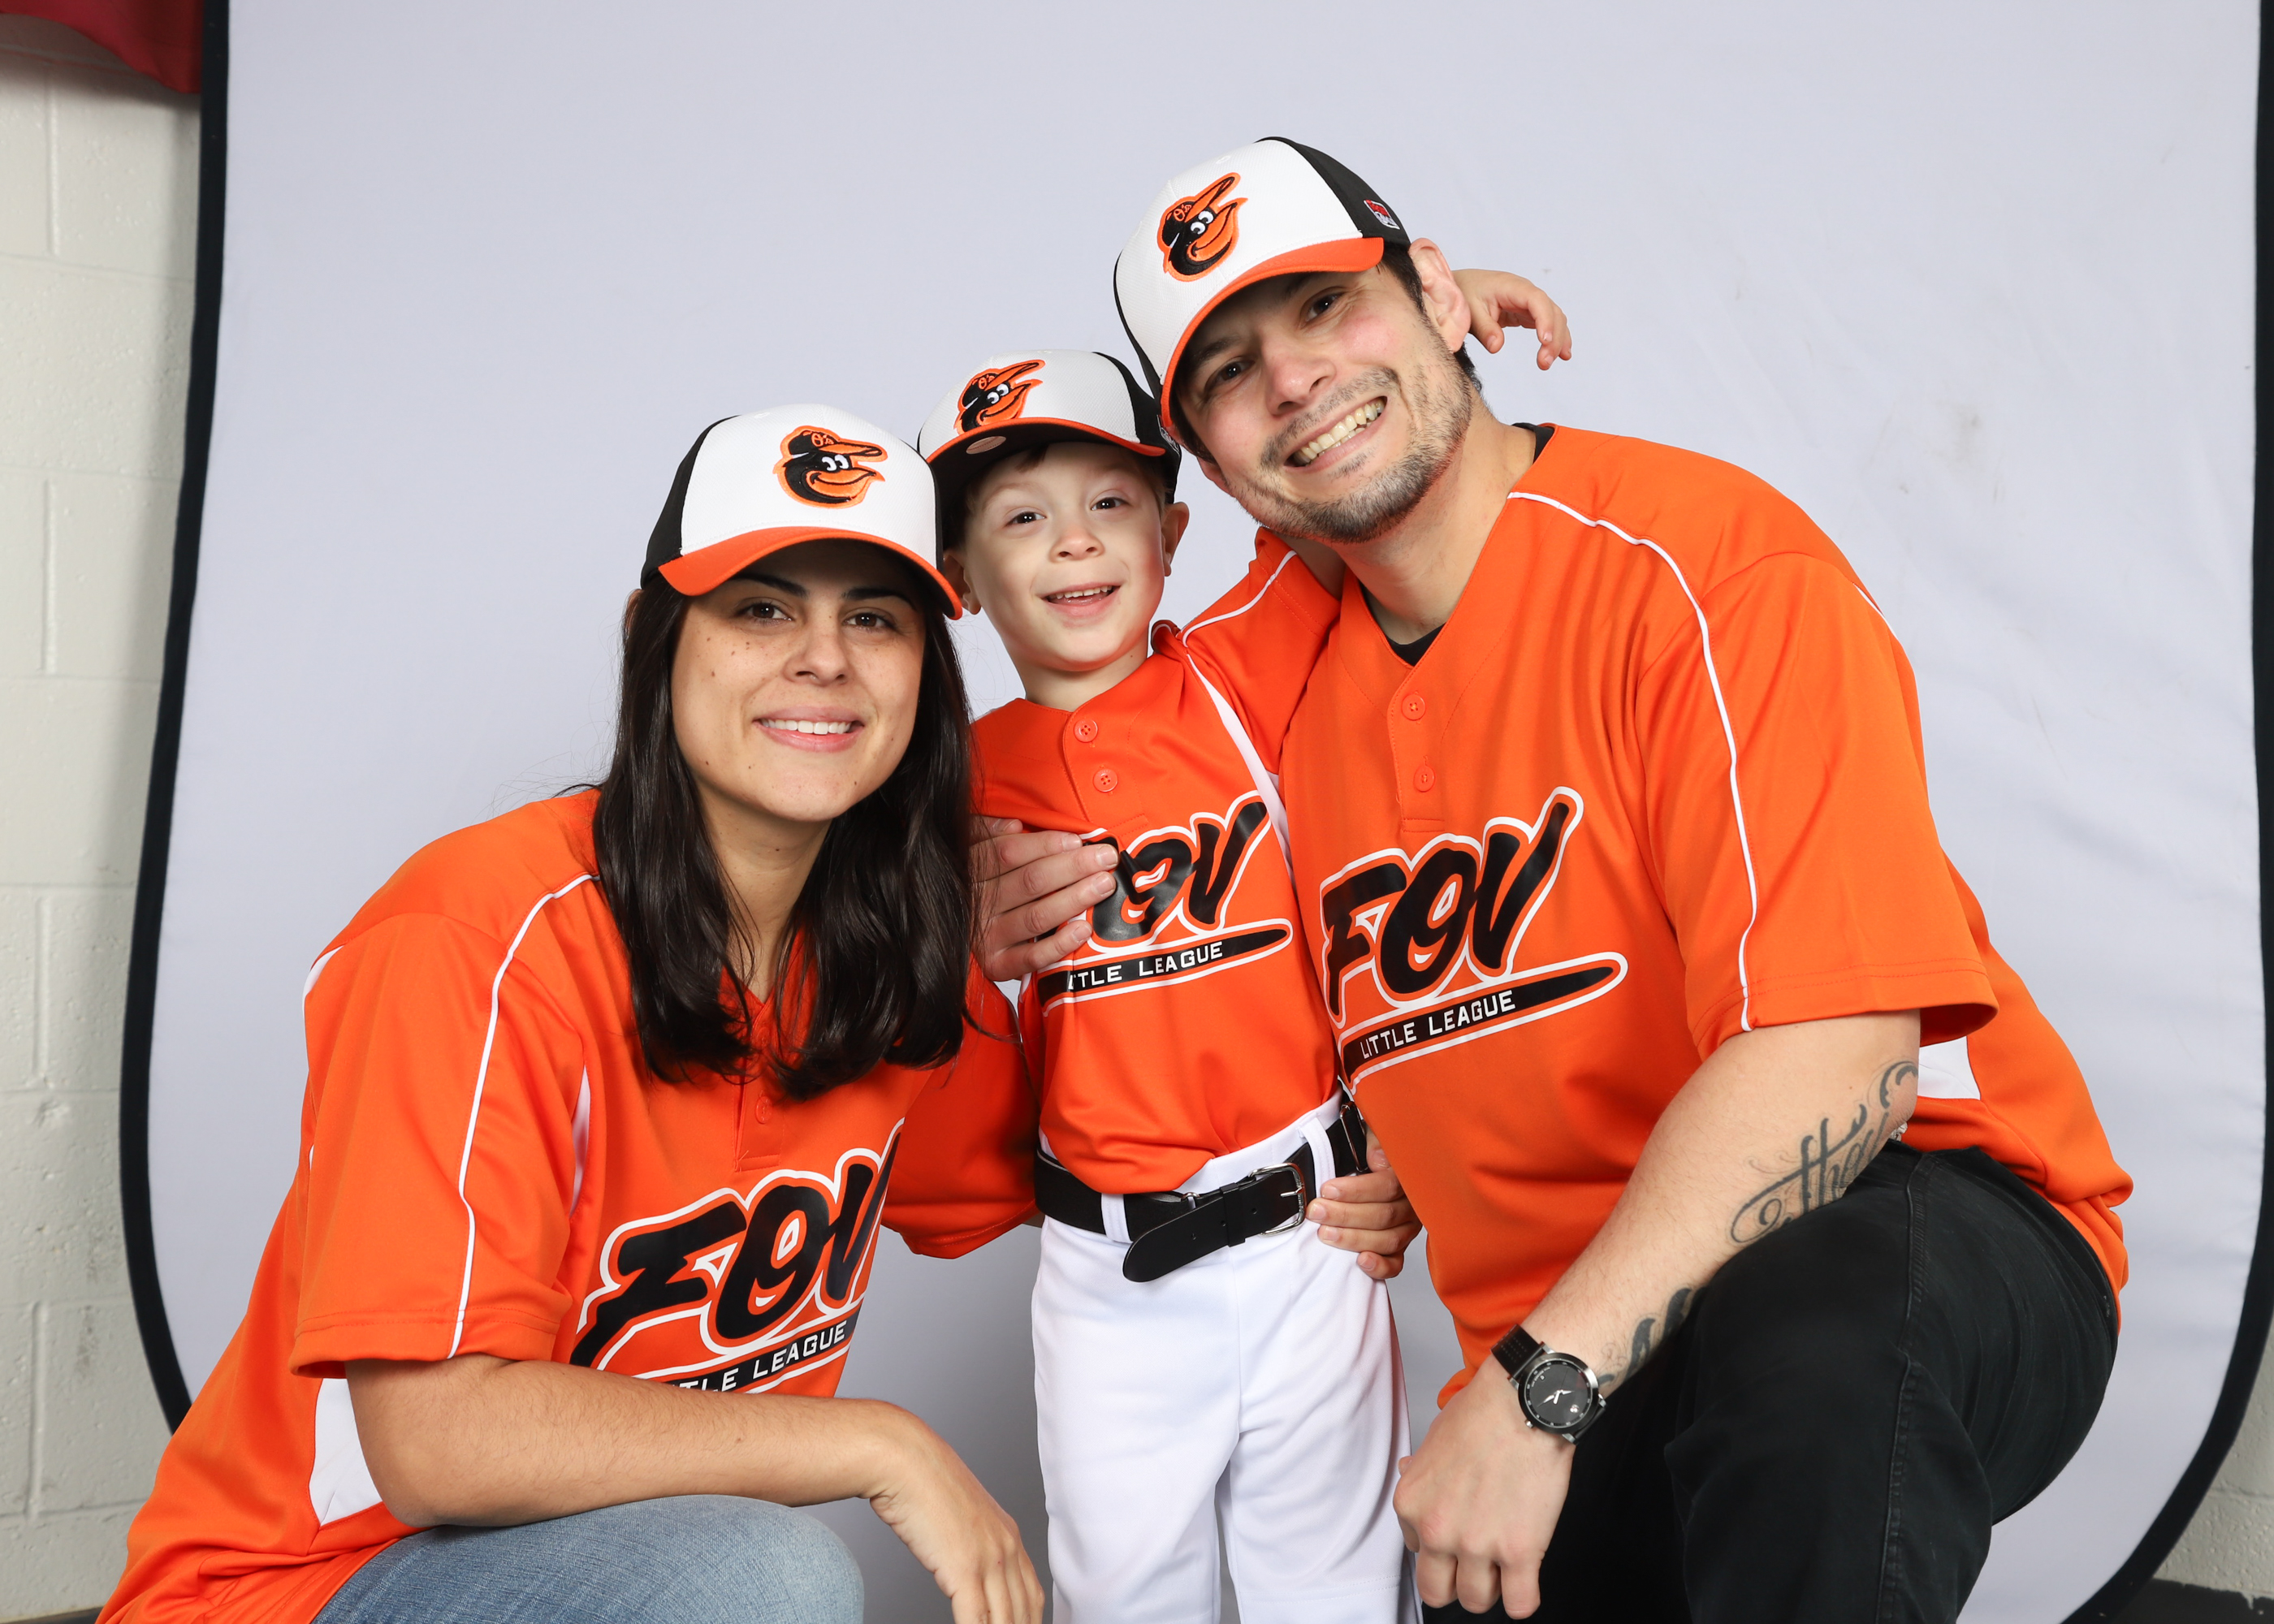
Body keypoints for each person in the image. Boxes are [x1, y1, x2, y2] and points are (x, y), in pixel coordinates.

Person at [999, 136, 2133, 1622]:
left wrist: (1544, 1384)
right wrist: (974, 893)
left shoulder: (1706, 564)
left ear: (1434, 295)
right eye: (1229, 372)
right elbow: (1103, 819)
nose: (1292, 380)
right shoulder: (1267, 709)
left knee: (1813, 1338)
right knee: (1487, 1576)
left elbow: (1845, 1055)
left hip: (1908, 1223)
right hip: (1571, 1342)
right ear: (1211, 471)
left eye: (1327, 306)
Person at [102, 406, 1053, 1624]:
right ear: (656, 638)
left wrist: (1124, 943)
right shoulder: (473, 933)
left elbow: (1093, 1183)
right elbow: (437, 1441)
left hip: (620, 1577)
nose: (826, 658)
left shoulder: (889, 951)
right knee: (767, 1576)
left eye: (875, 618)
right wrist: (882, 1445)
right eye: (762, 609)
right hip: (300, 1590)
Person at [914, 283, 1568, 1624]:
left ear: (1173, 531)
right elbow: (916, 1083)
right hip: (1109, 1275)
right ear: (958, 581)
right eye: (1020, 519)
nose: (1074, 542)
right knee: (1124, 1600)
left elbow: (1352, 473)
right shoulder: (944, 795)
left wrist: (1434, 307)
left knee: (1333, 1594)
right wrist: (947, 944)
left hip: (1310, 1235)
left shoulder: (1241, 665)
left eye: (1111, 502)